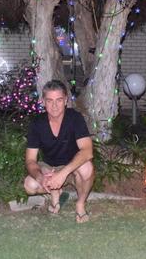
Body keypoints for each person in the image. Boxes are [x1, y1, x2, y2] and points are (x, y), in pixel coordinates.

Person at [24, 80, 94, 223]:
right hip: (49, 168)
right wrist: (41, 178)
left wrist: (63, 174)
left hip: (72, 169)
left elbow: (87, 151)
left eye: (59, 100)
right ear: (43, 102)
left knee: (87, 168)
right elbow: (30, 160)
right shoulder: (37, 123)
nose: (54, 105)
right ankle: (55, 192)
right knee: (29, 185)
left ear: (66, 100)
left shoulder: (75, 118)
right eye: (49, 101)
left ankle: (80, 203)